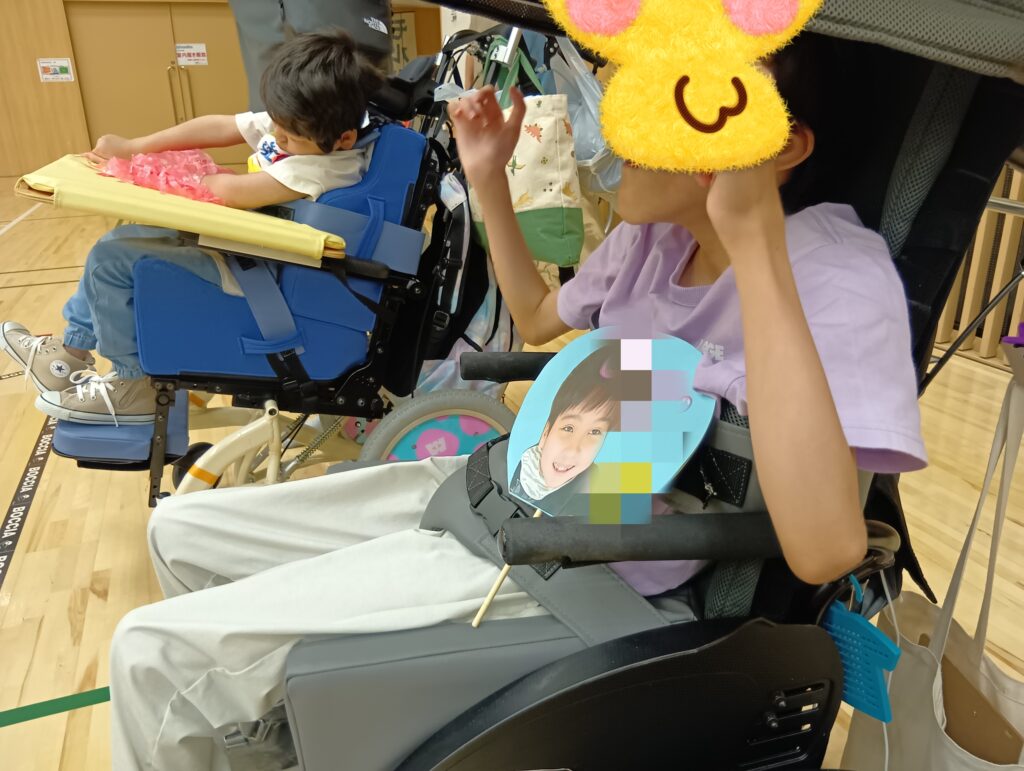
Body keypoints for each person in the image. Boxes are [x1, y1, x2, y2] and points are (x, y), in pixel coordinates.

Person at [105, 33, 927, 769]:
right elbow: (535, 317)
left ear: (778, 145)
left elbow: (825, 549)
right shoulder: (652, 240)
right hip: (517, 487)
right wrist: (486, 175)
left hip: (593, 557)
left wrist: (755, 238)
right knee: (178, 529)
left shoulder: (839, 277)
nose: (622, 132)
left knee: (151, 653)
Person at [0, 29, 384, 424]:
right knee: (121, 239)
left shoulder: (325, 168)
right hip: (248, 245)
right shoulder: (307, 125)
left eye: (289, 136)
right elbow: (220, 127)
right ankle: (70, 354)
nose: (276, 136)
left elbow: (229, 192)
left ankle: (133, 387)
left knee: (111, 259)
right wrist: (134, 148)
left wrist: (152, 173)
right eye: (276, 125)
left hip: (260, 273)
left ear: (344, 139)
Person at [509, 340, 628, 516]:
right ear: (545, 433)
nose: (573, 450)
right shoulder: (514, 464)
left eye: (595, 432)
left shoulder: (593, 497)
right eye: (568, 428)